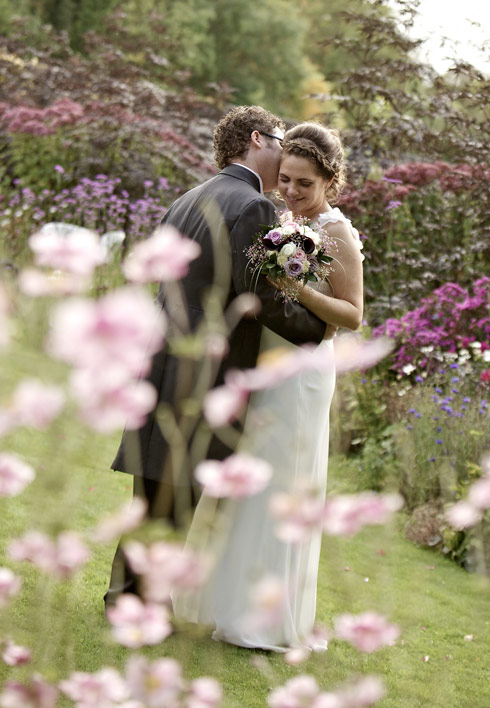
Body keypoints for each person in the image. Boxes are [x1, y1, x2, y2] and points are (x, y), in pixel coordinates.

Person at [105, 107, 328, 608]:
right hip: (204, 373)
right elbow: (259, 296)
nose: (284, 153)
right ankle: (138, 605)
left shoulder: (188, 198)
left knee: (152, 496)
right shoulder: (252, 206)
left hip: (161, 364)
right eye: (280, 140)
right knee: (176, 499)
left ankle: (126, 598)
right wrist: (320, 330)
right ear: (256, 140)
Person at [172, 121, 364, 651]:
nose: (292, 192)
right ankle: (221, 603)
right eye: (286, 180)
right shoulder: (280, 221)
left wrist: (295, 285)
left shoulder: (338, 232)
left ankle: (264, 620)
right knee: (247, 484)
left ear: (330, 180)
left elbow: (352, 315)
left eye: (305, 183)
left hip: (301, 374)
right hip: (265, 365)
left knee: (282, 484)